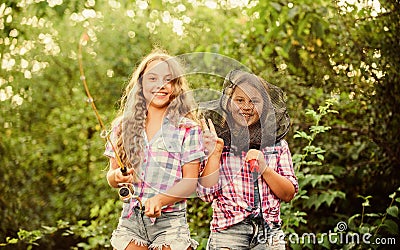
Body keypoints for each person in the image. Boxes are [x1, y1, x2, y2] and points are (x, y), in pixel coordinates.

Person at [104, 48, 222, 250]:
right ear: (140, 84)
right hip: (131, 221)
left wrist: (161, 199)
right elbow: (112, 177)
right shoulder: (121, 127)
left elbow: (190, 182)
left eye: (168, 79)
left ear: (176, 86)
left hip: (171, 224)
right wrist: (116, 177)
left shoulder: (188, 129)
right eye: (152, 78)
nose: (161, 85)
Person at [198, 69, 298, 249]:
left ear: (265, 105)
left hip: (269, 234)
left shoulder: (277, 145)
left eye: (254, 101)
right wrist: (215, 153)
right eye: (239, 100)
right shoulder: (218, 141)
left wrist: (265, 169)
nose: (246, 107)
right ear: (228, 104)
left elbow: (288, 194)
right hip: (228, 234)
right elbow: (206, 194)